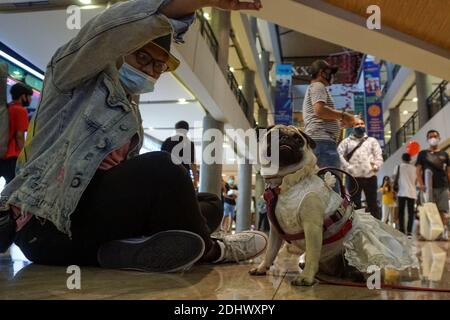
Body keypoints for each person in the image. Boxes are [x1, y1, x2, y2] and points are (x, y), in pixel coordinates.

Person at [0, 0, 268, 272]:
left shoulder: (130, 117)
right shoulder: (71, 79)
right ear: (119, 51)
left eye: (158, 66)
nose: (150, 70)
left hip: (90, 230)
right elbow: (109, 30)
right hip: (48, 227)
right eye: (142, 57)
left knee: (210, 203)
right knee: (167, 166)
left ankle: (121, 250)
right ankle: (213, 250)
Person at [302, 59, 355, 169]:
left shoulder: (313, 88)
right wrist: (345, 116)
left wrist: (342, 123)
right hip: (323, 144)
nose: (332, 77)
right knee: (330, 183)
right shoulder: (318, 86)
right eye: (330, 73)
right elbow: (320, 111)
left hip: (319, 143)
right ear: (322, 73)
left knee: (321, 183)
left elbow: (320, 115)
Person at [338, 118, 383, 219]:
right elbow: (339, 155)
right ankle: (356, 227)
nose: (360, 126)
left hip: (370, 176)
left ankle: (377, 228)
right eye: (357, 124)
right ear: (353, 127)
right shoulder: (346, 142)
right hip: (353, 178)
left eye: (362, 123)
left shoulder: (372, 141)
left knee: (373, 204)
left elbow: (378, 155)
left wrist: (376, 166)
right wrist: (348, 168)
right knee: (355, 204)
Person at [416, 130, 450, 240]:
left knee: (442, 210)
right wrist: (421, 184)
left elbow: (448, 172)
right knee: (428, 210)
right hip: (428, 187)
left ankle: (443, 232)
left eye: (435, 136)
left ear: (439, 138)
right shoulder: (422, 154)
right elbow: (418, 170)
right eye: (430, 136)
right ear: (427, 139)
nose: (433, 138)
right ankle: (426, 233)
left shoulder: (444, 155)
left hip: (443, 186)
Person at [0, 83, 32, 185]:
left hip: (1, 153)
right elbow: (19, 136)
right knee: (11, 188)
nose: (31, 99)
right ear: (23, 96)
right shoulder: (21, 110)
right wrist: (25, 155)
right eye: (29, 96)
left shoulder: (7, 107)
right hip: (12, 157)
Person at [161, 120, 199, 188]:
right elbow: (192, 163)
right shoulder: (190, 144)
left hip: (167, 173)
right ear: (187, 130)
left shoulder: (167, 141)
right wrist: (195, 180)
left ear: (176, 129)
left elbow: (161, 158)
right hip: (183, 174)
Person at [394, 153, 417, 236]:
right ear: (410, 159)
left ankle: (402, 230)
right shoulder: (414, 168)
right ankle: (409, 231)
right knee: (411, 213)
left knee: (401, 212)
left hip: (402, 192)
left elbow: (394, 179)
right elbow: (416, 181)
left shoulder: (398, 167)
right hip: (412, 192)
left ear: (402, 159)